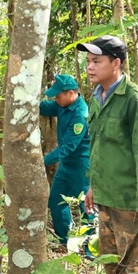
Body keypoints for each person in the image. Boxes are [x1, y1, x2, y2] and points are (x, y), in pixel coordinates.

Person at [78, 35, 138, 274]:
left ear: (116, 64)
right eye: (88, 61)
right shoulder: (97, 97)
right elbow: (99, 148)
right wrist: (93, 185)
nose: (90, 67)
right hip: (105, 201)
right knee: (115, 271)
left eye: (96, 61)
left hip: (130, 204)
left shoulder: (136, 101)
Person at [39, 74, 92, 246]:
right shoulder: (62, 105)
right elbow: (46, 107)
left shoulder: (80, 114)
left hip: (81, 166)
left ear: (71, 93)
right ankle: (66, 240)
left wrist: (41, 162)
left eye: (58, 95)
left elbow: (67, 148)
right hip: (66, 165)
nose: (56, 98)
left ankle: (91, 248)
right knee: (56, 200)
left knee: (86, 206)